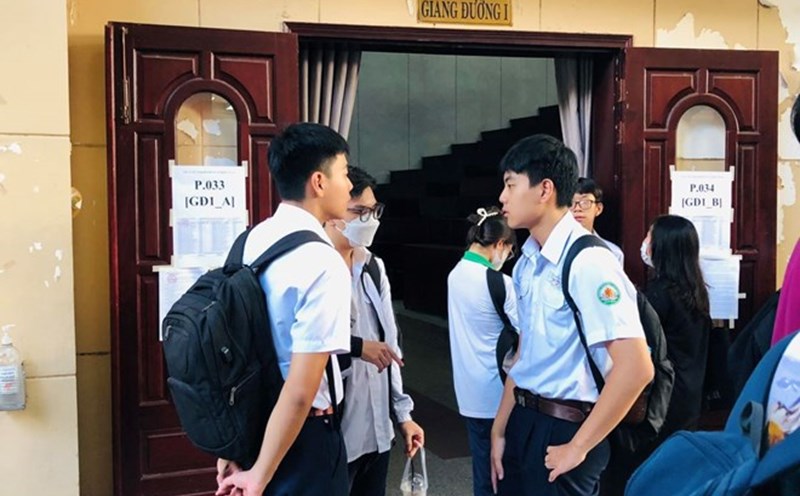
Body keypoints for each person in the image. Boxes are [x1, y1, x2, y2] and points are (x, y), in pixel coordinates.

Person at [490, 134, 653, 496]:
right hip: (524, 418)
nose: (502, 198)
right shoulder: (527, 262)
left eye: (510, 185)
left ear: (544, 189)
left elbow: (637, 367)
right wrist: (500, 428)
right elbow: (525, 354)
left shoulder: (589, 262)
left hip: (567, 426)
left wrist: (578, 447)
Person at [216, 123, 353, 496]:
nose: (350, 185)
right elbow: (300, 390)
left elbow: (233, 351)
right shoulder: (322, 262)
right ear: (319, 182)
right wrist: (260, 475)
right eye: (344, 173)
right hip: (302, 442)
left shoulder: (249, 241)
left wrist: (233, 449)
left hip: (251, 424)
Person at [324, 165, 425, 496]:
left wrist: (403, 414)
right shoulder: (314, 267)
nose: (369, 220)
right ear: (335, 212)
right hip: (334, 431)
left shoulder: (372, 267)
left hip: (377, 430)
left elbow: (390, 346)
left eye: (374, 211)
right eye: (360, 212)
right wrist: (357, 347)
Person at [447, 205, 519, 496]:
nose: (507, 258)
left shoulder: (455, 274)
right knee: (503, 473)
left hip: (467, 391)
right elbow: (527, 334)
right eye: (509, 251)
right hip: (498, 395)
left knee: (482, 470)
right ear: (500, 244)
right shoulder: (498, 282)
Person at [642, 215, 712, 438]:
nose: (645, 243)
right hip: (691, 392)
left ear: (662, 247)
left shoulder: (658, 294)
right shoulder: (696, 289)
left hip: (664, 396)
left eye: (649, 237)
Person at [571, 177, 624, 265]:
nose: (577, 209)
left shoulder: (613, 253)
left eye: (585, 202)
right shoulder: (553, 250)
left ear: (598, 209)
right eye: (571, 203)